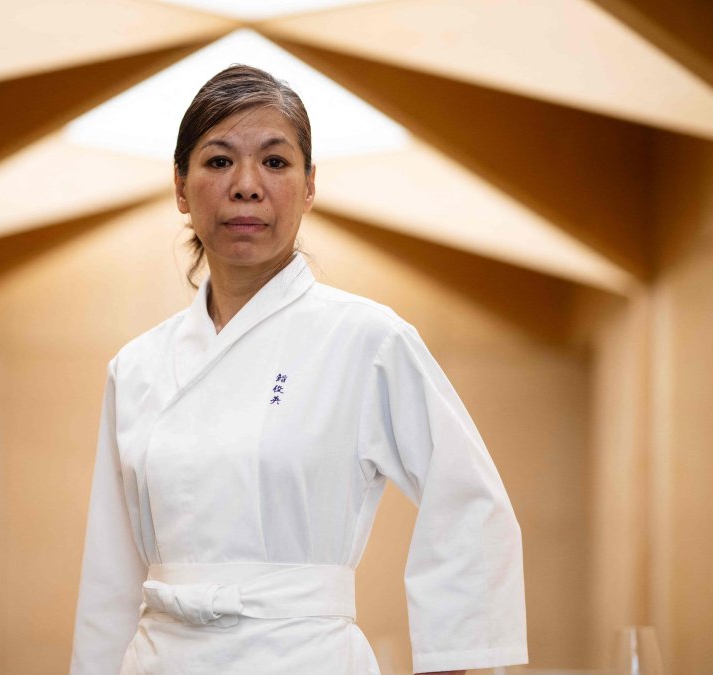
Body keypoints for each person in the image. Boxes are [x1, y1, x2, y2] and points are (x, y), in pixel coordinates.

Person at [69, 64, 527, 675]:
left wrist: (452, 663)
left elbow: (470, 502)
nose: (246, 186)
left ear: (309, 186)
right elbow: (111, 569)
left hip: (304, 655)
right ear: (180, 187)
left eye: (275, 162)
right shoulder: (137, 367)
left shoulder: (367, 339)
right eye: (219, 161)